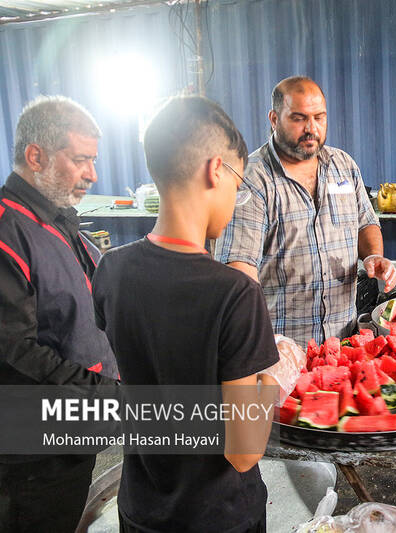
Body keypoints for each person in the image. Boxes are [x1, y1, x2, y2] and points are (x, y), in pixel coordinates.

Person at [92, 95, 281, 532]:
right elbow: (243, 451)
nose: (236, 199)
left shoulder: (111, 269)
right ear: (216, 170)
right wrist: (276, 374)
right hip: (219, 517)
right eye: (238, 183)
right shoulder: (235, 293)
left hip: (141, 509)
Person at [0, 96, 120, 533]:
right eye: (81, 160)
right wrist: (106, 392)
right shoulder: (6, 230)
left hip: (73, 431)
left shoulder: (55, 219)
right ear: (36, 156)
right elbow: (16, 350)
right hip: (32, 449)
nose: (93, 174)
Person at [215, 76, 396, 345]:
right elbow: (238, 270)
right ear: (274, 119)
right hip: (283, 347)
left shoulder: (343, 166)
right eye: (299, 118)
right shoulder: (252, 179)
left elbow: (364, 223)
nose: (311, 128)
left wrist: (373, 255)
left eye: (319, 118)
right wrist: (254, 345)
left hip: (343, 342)